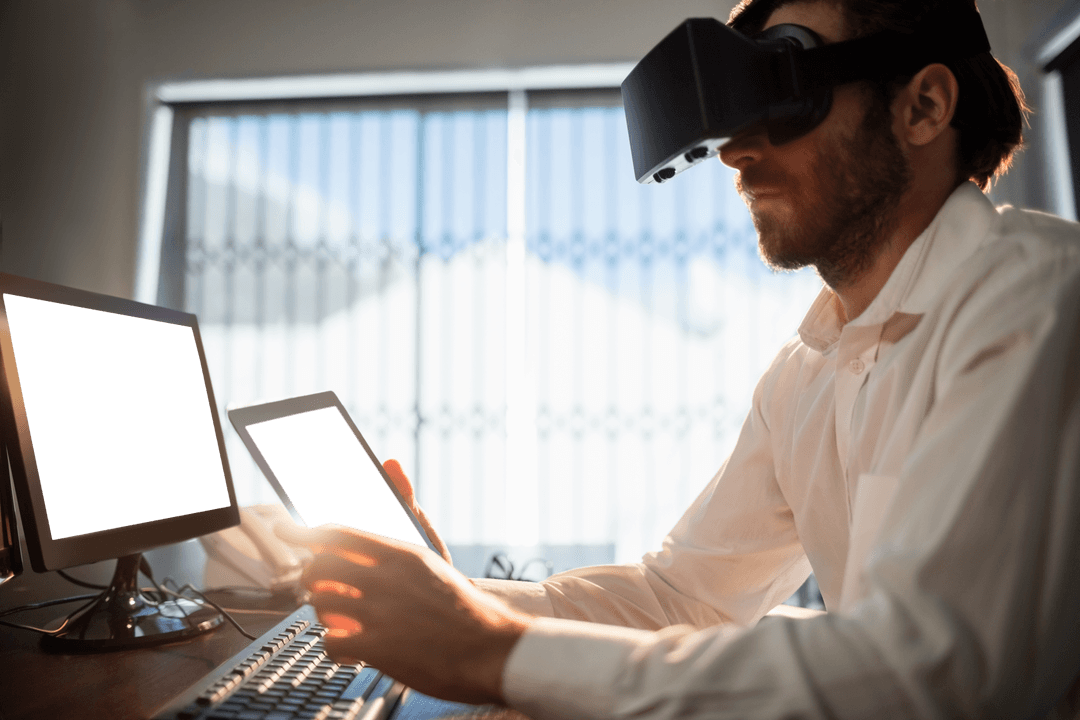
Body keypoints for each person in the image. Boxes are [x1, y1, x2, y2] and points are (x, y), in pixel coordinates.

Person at [277, 0, 1080, 717]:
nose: (736, 152)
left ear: (924, 106)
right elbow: (683, 598)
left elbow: (933, 675)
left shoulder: (1036, 300)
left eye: (784, 86)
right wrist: (449, 604)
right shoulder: (806, 372)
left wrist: (489, 652)